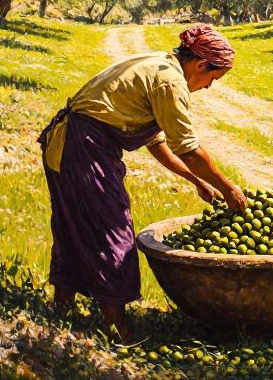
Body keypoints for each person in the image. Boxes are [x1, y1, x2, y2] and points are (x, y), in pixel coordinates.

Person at [38, 24, 246, 341]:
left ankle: (61, 312)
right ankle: (117, 328)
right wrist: (229, 188)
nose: (208, 87)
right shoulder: (170, 81)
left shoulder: (158, 64)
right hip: (82, 147)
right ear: (201, 64)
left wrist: (197, 183)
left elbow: (156, 143)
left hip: (70, 144)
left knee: (72, 225)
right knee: (114, 229)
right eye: (212, 79)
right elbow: (188, 150)